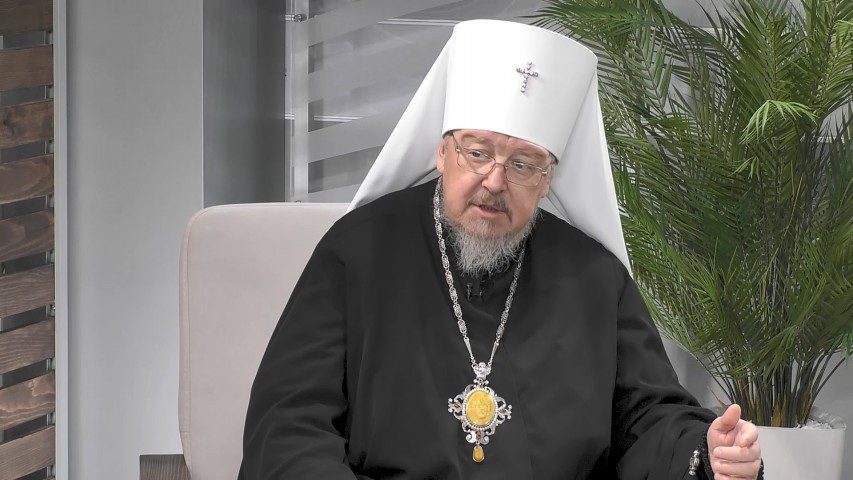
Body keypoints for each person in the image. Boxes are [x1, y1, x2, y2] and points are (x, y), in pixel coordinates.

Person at [238, 20, 763, 479]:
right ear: (442, 152)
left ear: (547, 180)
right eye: (478, 152)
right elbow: (288, 425)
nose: (494, 181)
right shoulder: (358, 251)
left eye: (522, 165)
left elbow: (648, 418)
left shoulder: (595, 279)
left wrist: (708, 452)